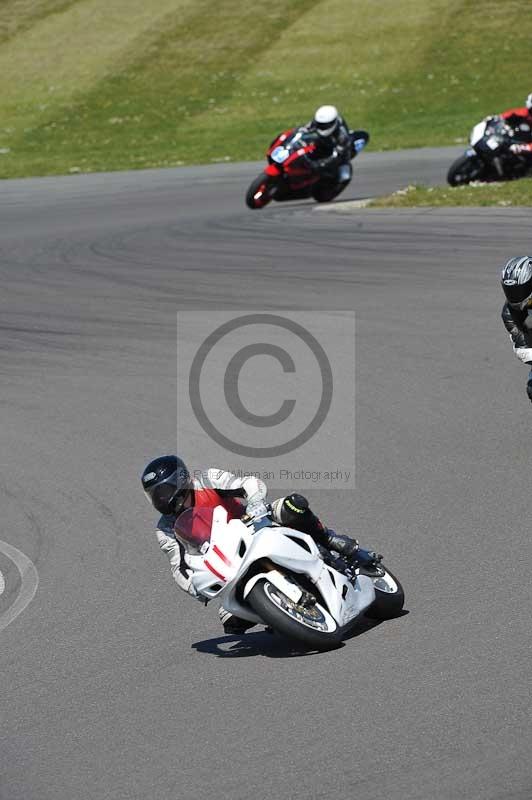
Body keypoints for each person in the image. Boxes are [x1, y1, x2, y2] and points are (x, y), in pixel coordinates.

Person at [141, 455, 361, 633]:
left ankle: (328, 539)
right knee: (231, 620)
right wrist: (195, 587)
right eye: (154, 496)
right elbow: (179, 567)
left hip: (255, 525)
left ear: (180, 480)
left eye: (163, 492)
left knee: (292, 506)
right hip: (227, 562)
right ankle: (282, 616)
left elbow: (247, 483)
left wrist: (255, 502)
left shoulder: (207, 480)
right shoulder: (165, 529)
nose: (160, 500)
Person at [301, 105, 369, 182]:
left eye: (324, 125)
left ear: (333, 123)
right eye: (320, 124)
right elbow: (303, 130)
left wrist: (321, 164)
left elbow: (338, 155)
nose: (321, 127)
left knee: (344, 175)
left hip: (336, 150)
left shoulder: (342, 135)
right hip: (322, 143)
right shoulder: (316, 122)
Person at [500, 256, 532, 401]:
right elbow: (522, 349)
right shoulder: (509, 313)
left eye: (519, 290)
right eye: (510, 291)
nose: (515, 296)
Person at [495, 93, 532, 157]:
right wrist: (495, 119)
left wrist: (523, 148)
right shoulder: (525, 113)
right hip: (519, 141)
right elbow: (509, 114)